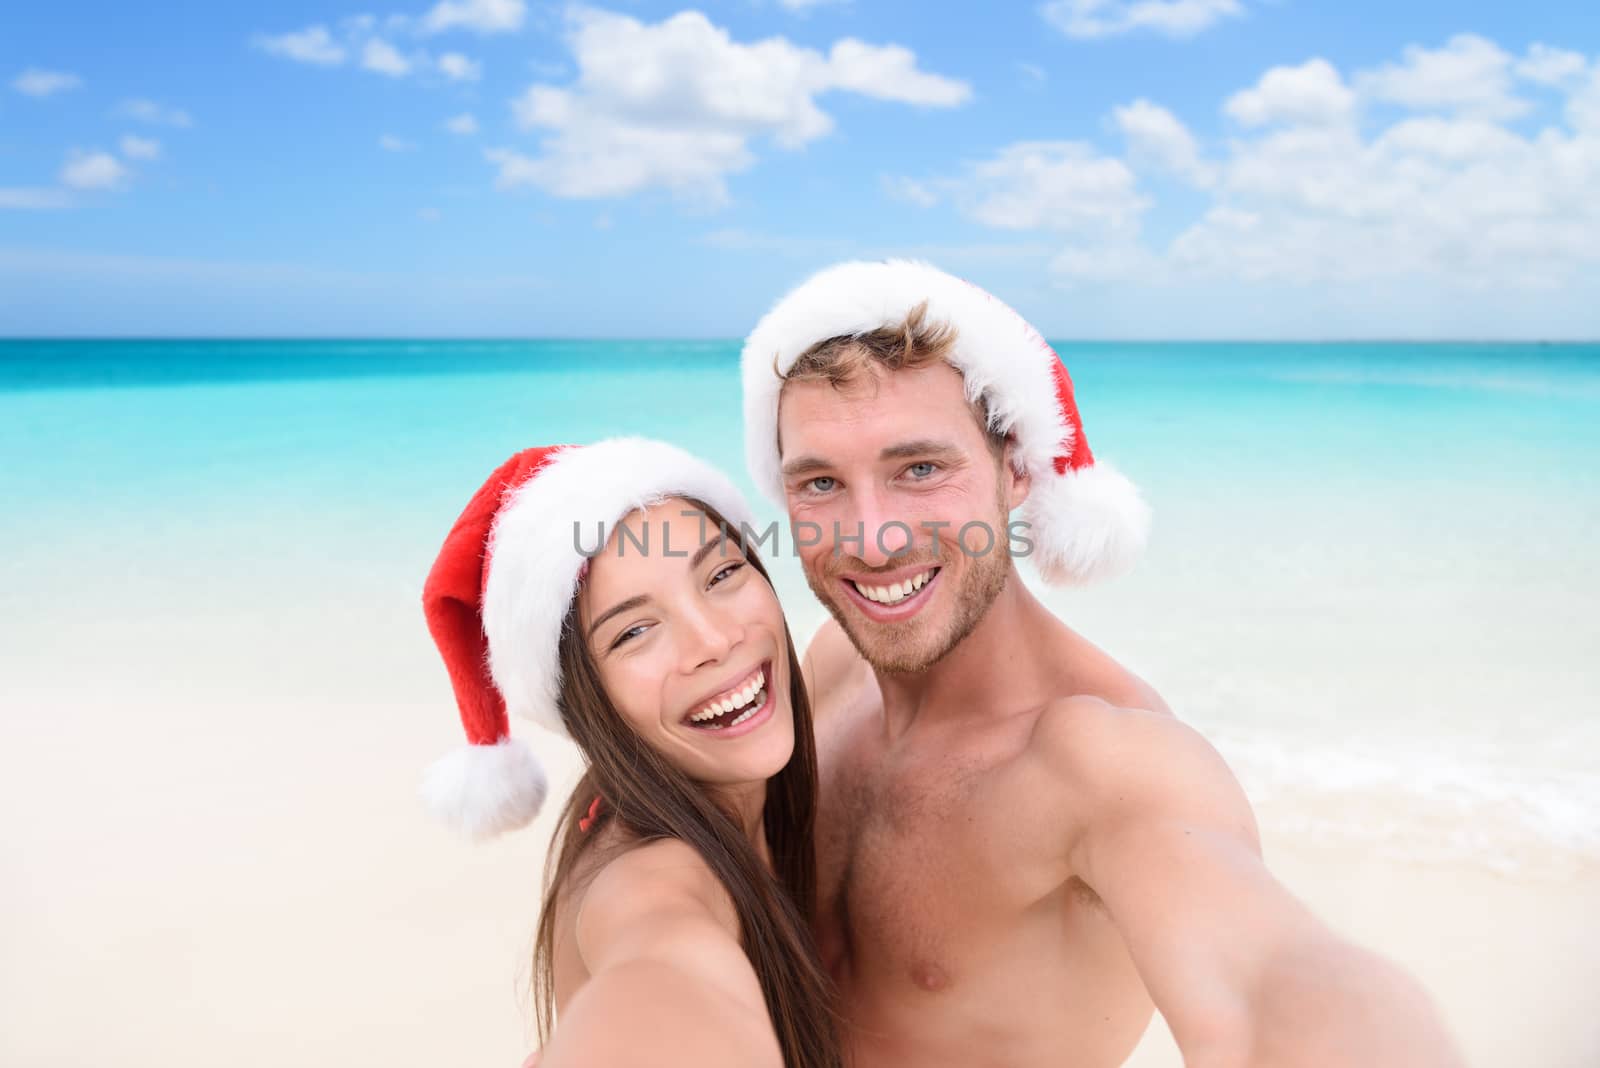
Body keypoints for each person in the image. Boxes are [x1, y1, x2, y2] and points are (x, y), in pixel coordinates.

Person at [739, 260, 1464, 1068]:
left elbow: (1266, 980)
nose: (870, 538)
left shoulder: (1107, 764)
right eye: (821, 483)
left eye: (920, 470)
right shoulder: (834, 662)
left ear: (1017, 467)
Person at [419, 438, 842, 1068]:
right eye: (634, 631)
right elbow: (661, 974)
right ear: (587, 703)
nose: (715, 640)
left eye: (722, 574)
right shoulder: (649, 881)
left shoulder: (646, 799)